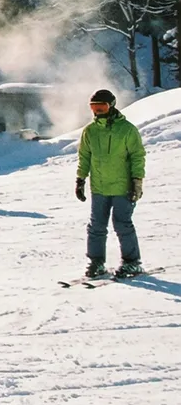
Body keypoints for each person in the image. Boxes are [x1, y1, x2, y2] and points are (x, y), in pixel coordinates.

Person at [77, 89, 146, 279]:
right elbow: (84, 157)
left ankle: (132, 262)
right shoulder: (90, 131)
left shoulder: (127, 130)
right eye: (94, 108)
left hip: (123, 187)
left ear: (112, 106)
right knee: (96, 226)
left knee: (122, 223)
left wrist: (137, 181)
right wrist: (80, 179)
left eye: (101, 107)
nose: (97, 111)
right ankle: (96, 262)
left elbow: (137, 157)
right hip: (99, 187)